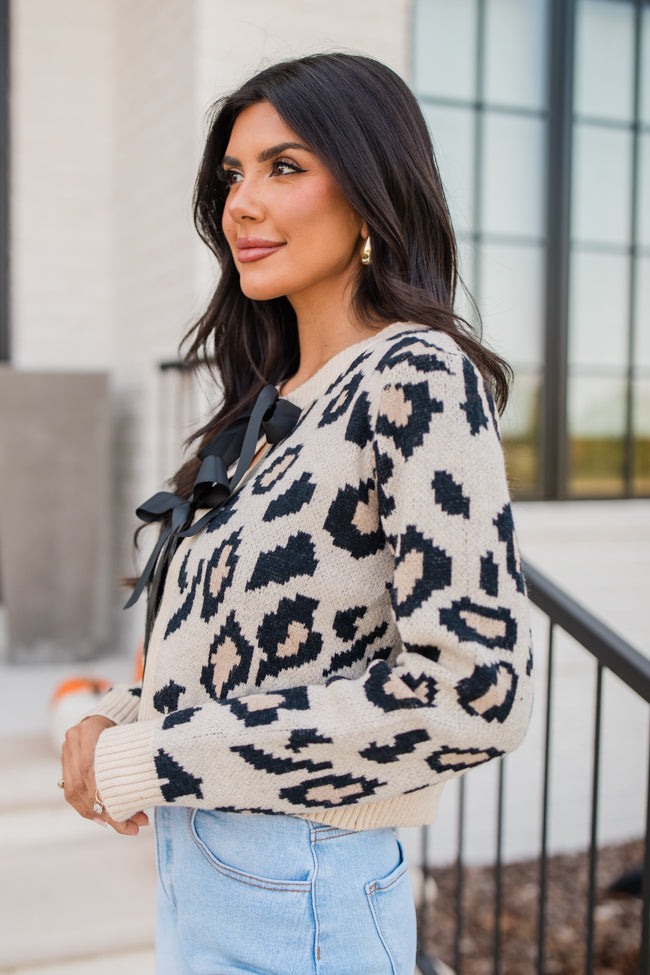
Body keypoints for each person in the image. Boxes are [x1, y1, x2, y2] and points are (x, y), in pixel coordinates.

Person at [60, 53, 533, 975]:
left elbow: (473, 693)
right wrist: (123, 719)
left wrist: (160, 755)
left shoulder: (415, 378)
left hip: (302, 887)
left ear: (369, 189)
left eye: (285, 166)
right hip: (204, 872)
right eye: (233, 175)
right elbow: (265, 653)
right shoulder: (271, 405)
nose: (241, 202)